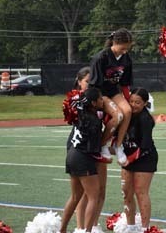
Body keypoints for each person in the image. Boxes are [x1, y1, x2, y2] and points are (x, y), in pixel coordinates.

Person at [70, 67, 115, 233]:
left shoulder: (98, 99)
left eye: (92, 81)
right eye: (87, 81)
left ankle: (93, 225)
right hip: (83, 150)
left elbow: (114, 117)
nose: (90, 84)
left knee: (100, 190)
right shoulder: (75, 101)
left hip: (97, 147)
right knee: (83, 193)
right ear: (79, 81)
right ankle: (81, 228)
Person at [60, 88, 105, 233]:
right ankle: (88, 231)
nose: (102, 100)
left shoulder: (80, 114)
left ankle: (62, 230)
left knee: (75, 197)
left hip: (71, 154)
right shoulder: (94, 121)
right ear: (93, 102)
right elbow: (94, 148)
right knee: (94, 196)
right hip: (83, 158)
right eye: (100, 98)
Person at [89, 28, 133, 166]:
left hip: (114, 91)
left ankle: (118, 146)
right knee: (118, 116)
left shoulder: (126, 59)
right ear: (115, 42)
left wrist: (128, 100)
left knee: (128, 111)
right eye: (123, 48)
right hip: (101, 93)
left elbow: (125, 84)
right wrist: (98, 104)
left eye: (128, 48)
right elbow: (94, 85)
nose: (125, 51)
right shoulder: (101, 57)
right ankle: (103, 144)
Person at [121, 87, 158, 233]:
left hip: (145, 158)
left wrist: (128, 159)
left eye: (138, 102)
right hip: (129, 157)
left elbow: (145, 146)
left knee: (141, 192)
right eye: (131, 101)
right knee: (126, 191)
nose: (134, 105)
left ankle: (145, 228)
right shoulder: (126, 115)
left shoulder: (145, 119)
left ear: (144, 103)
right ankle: (130, 226)